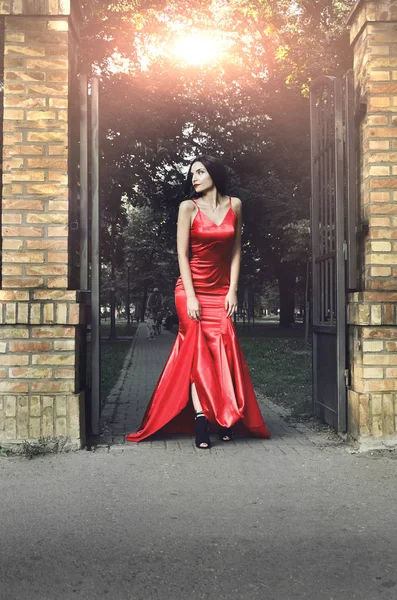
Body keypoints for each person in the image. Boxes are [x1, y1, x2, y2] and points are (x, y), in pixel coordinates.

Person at [126, 155, 270, 448]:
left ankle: (226, 416)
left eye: (201, 172)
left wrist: (233, 291)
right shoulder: (188, 207)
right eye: (192, 173)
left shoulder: (236, 205)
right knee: (198, 355)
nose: (194, 177)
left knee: (223, 353)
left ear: (214, 174)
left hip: (221, 291)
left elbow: (237, 251)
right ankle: (203, 419)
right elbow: (182, 255)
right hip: (190, 290)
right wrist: (191, 296)